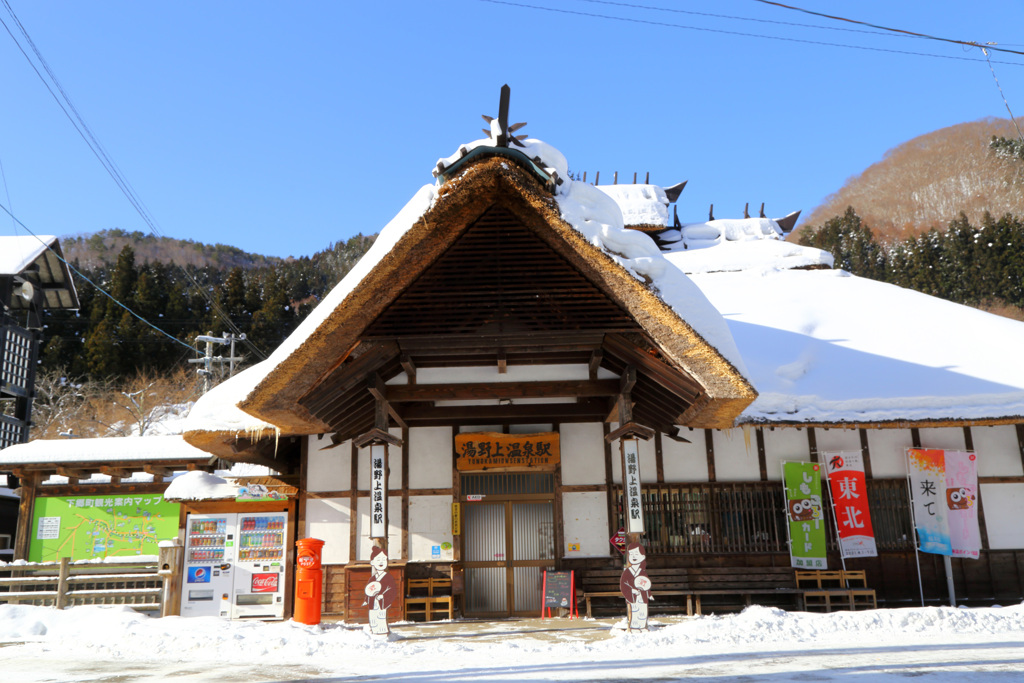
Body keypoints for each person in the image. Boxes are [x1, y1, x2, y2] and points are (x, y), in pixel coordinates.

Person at [363, 546, 397, 635]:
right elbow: (369, 590)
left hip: (381, 602)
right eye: (378, 560)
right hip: (373, 602)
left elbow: (392, 589)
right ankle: (374, 631)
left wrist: (383, 596)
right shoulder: (373, 578)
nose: (381, 562)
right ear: (372, 562)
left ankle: (382, 632)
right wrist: (367, 599)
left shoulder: (388, 577)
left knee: (381, 617)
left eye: (383, 559)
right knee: (373, 617)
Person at [619, 542, 651, 631]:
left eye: (636, 554)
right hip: (633, 596)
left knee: (643, 611)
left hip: (642, 596)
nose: (633, 556)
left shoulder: (642, 572)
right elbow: (623, 584)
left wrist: (648, 593)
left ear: (642, 556)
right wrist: (631, 590)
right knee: (634, 611)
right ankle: (634, 626)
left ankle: (643, 626)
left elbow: (647, 583)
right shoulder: (627, 572)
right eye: (631, 554)